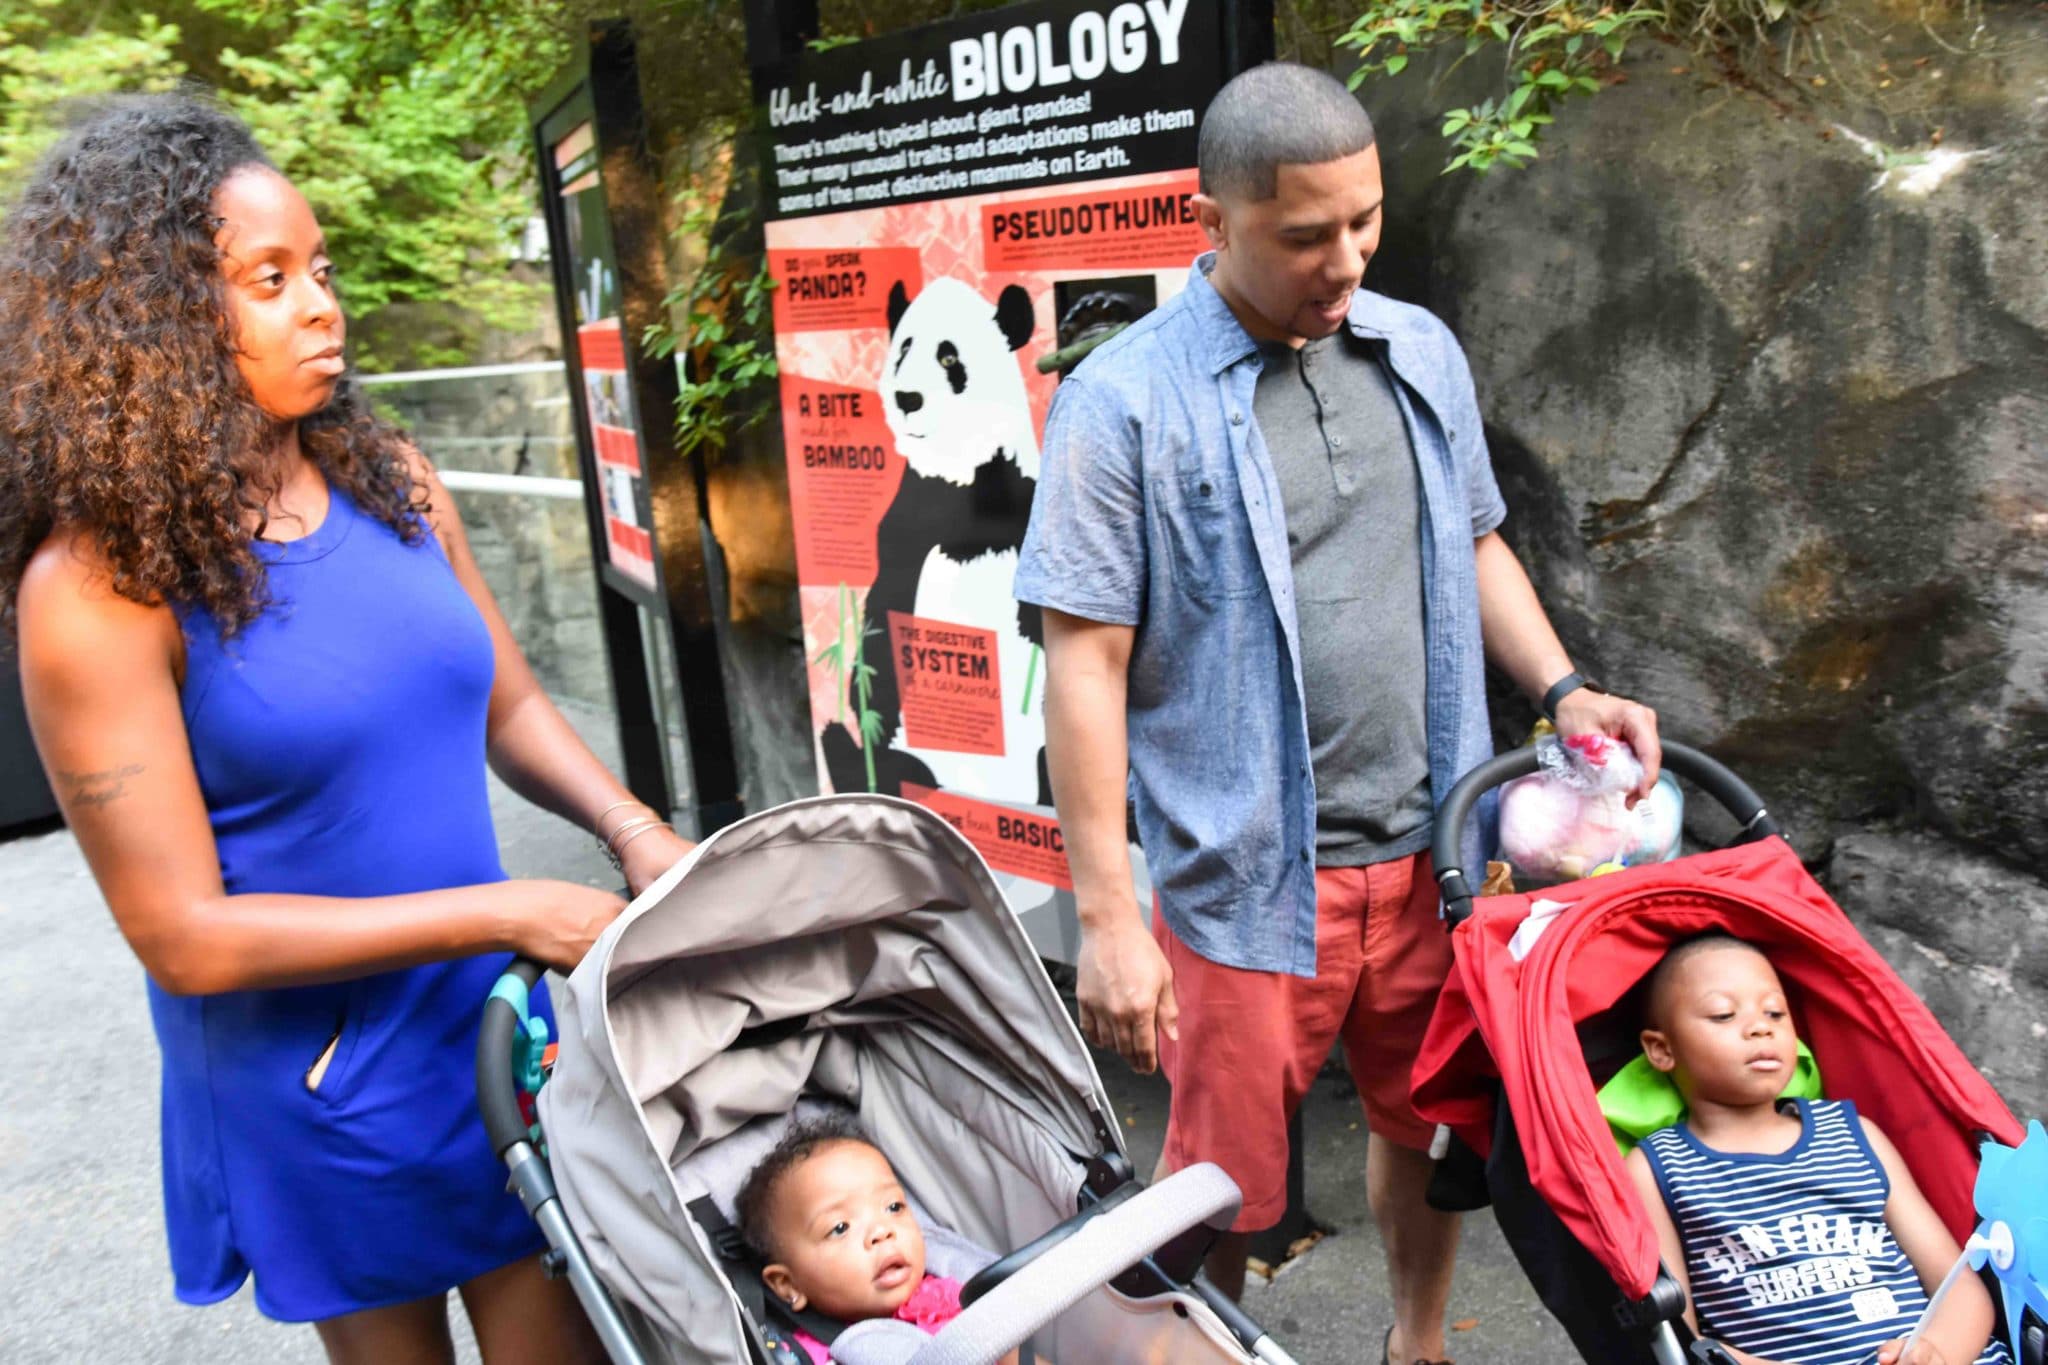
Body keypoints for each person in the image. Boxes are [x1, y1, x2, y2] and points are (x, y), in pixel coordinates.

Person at [0, 95, 692, 1362]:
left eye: (319, 270)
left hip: (489, 1032)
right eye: (268, 281)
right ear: (150, 316)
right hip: (319, 1076)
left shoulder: (394, 481)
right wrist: (510, 911)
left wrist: (634, 830)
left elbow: (506, 700)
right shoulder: (95, 588)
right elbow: (185, 938)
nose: (321, 307)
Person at [1013, 61, 1662, 1365]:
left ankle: (1415, 1346)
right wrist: (1108, 919)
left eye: (1364, 220)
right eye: (1306, 233)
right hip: (1246, 878)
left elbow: (1474, 540)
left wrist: (1562, 688)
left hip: (1435, 857)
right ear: (1213, 220)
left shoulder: (1416, 348)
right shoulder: (1121, 401)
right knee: (1219, 1187)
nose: (1347, 258)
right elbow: (1084, 662)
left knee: (1430, 1132)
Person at [1623, 936, 2007, 1365]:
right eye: (1724, 1014)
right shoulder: (1658, 1169)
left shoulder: (1854, 1135)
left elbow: (1959, 1284)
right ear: (1662, 1049)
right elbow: (1685, 1340)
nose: (1760, 1027)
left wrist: (1940, 1354)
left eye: (1775, 1012)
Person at [734, 1118, 1014, 1365]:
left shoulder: (952, 1288)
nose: (882, 1231)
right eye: (840, 1228)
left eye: (894, 1207)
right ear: (788, 1285)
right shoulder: (813, 1355)